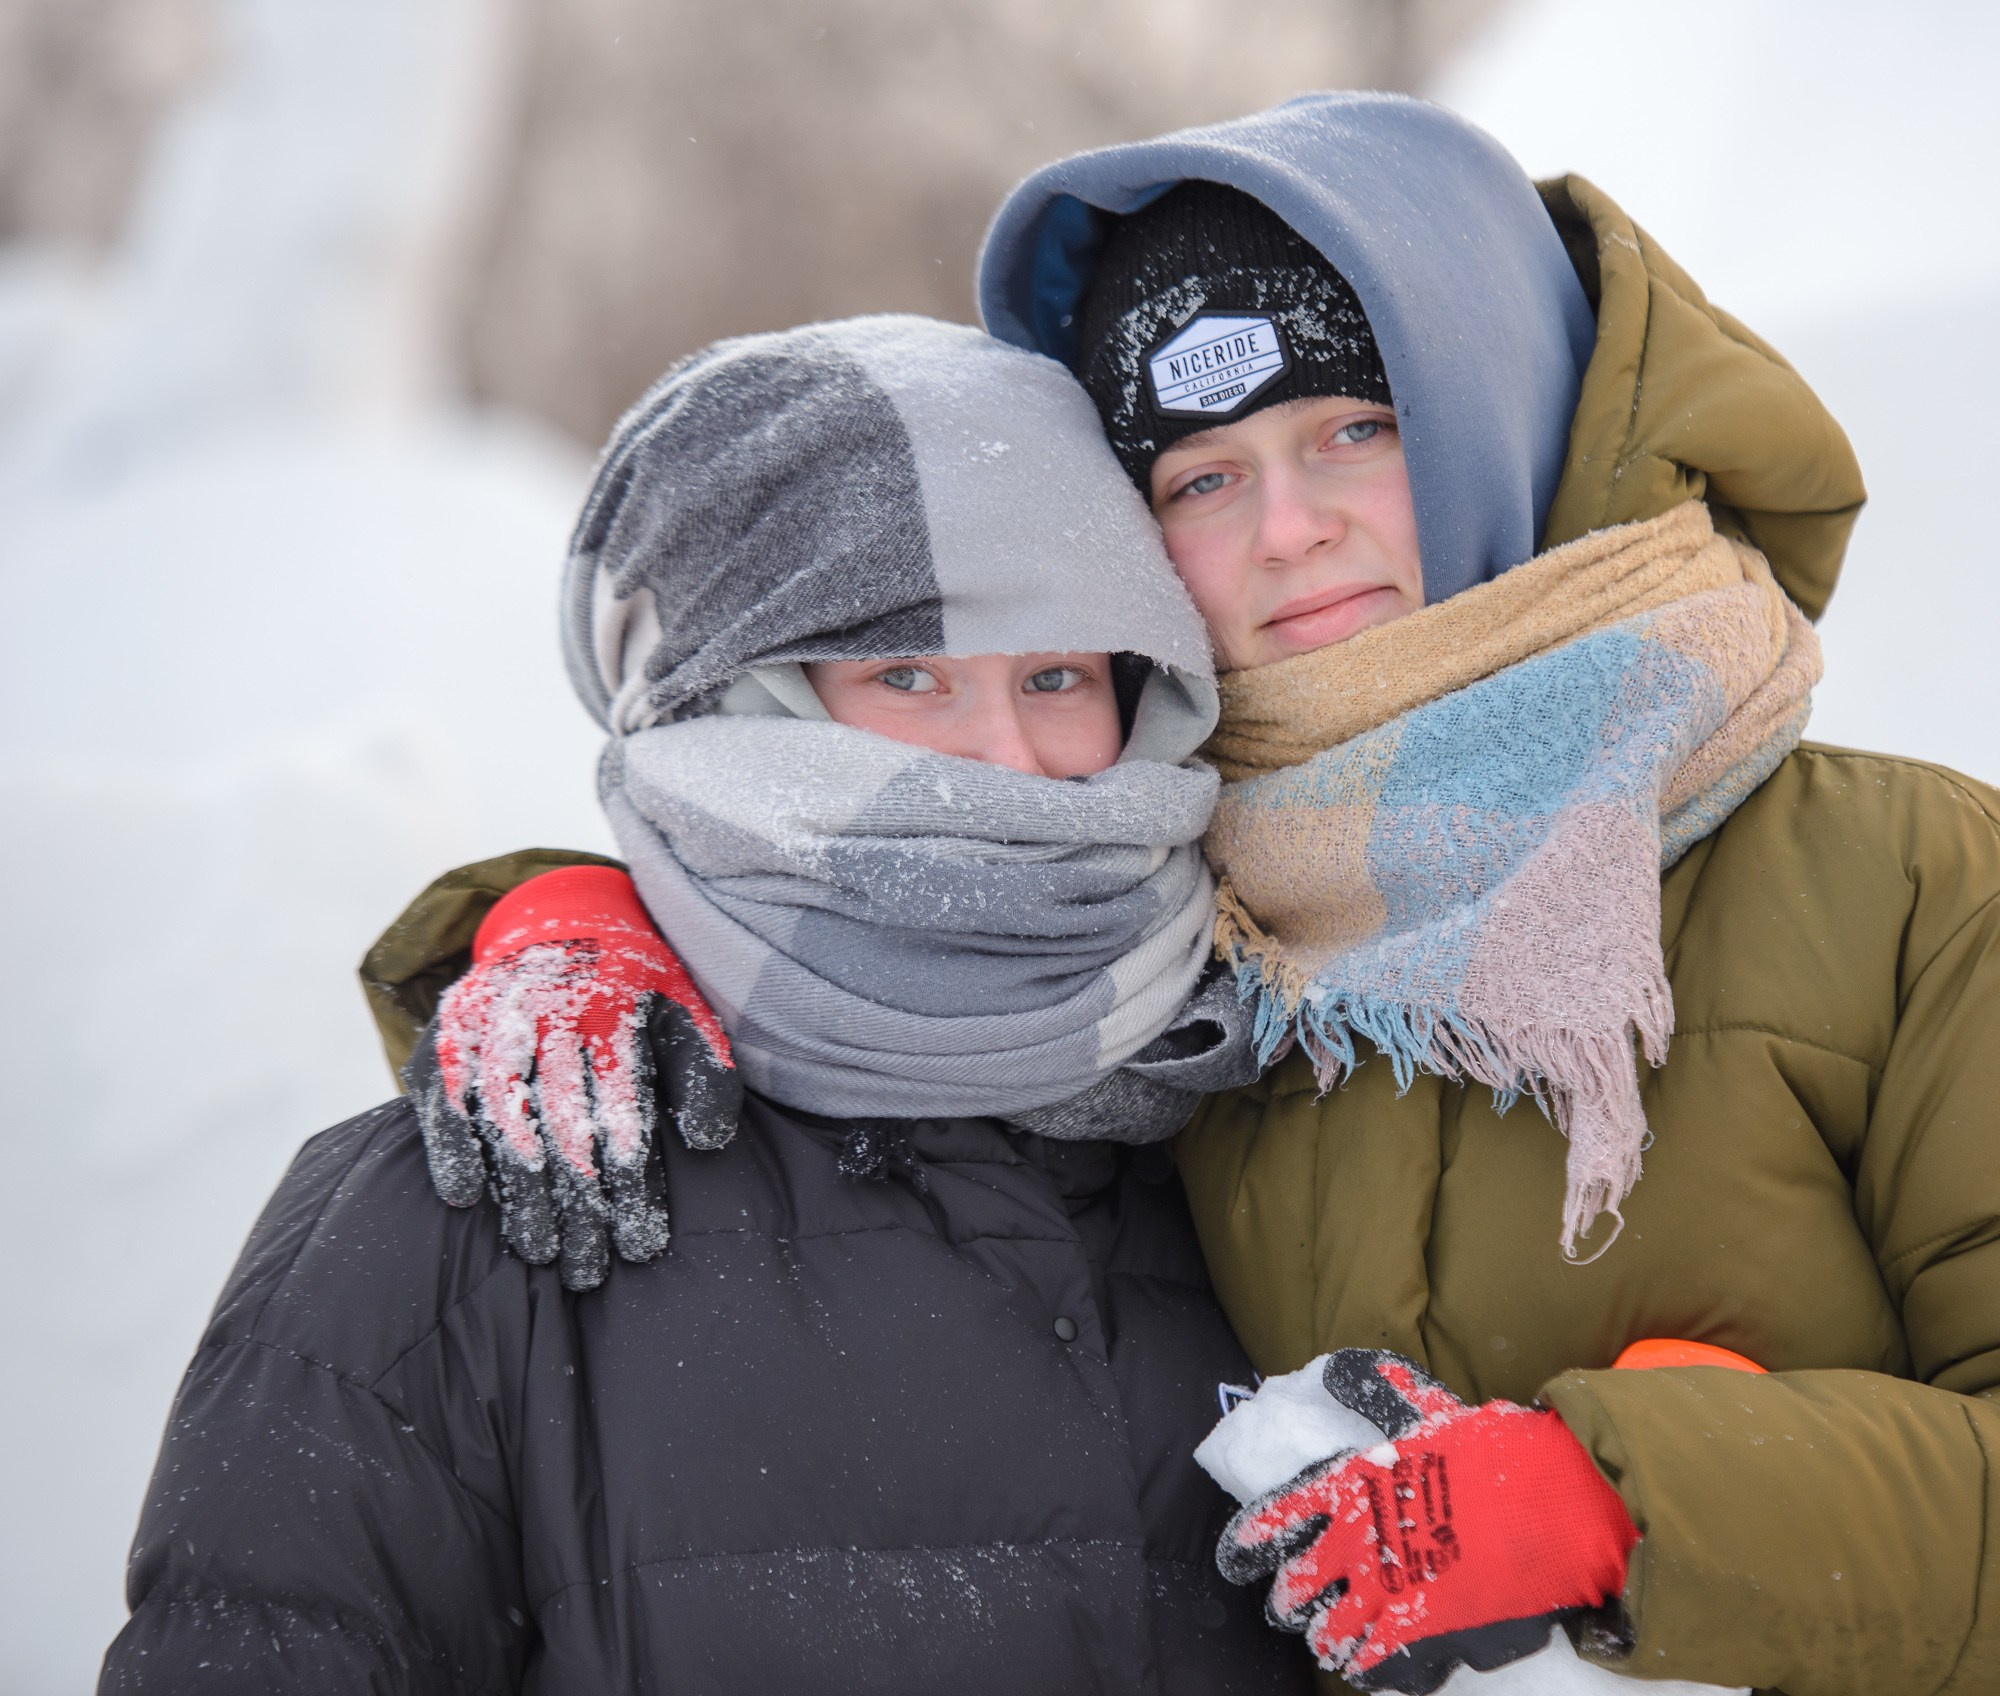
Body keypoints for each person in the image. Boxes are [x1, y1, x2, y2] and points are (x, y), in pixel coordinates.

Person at [335, 96, 2000, 1696]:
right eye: (1199, 475)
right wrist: (578, 915)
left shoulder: (1970, 911)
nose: (1290, 527)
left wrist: (1632, 1497)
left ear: (1515, 402)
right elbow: (902, 916)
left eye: (1358, 427)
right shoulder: (1189, 922)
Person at [101, 316, 1311, 1695]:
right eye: (904, 676)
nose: (1007, 761)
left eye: (1057, 677)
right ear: (733, 711)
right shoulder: (461, 1208)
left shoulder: (1250, 1122)